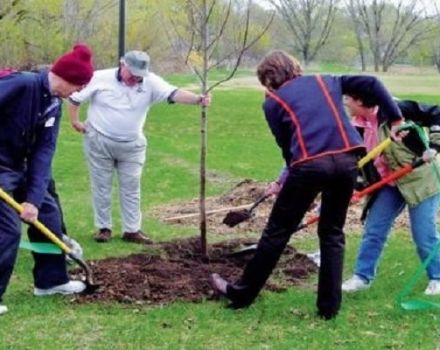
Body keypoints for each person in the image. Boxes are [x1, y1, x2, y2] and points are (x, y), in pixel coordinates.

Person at [209, 50, 403, 320]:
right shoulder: (326, 80)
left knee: (277, 232)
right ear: (294, 68)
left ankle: (241, 293)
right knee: (332, 233)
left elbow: (288, 149)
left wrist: (293, 180)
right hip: (348, 162)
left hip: (309, 166)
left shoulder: (272, 103)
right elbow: (371, 83)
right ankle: (329, 308)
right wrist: (396, 119)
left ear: (268, 80)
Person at [67, 50, 210, 244]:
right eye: (132, 73)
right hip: (99, 141)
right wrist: (75, 122)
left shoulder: (151, 81)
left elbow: (173, 93)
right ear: (122, 64)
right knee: (101, 186)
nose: (135, 78)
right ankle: (104, 228)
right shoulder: (100, 77)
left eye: (139, 75)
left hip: (132, 145)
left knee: (131, 187)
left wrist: (197, 99)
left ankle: (132, 230)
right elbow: (75, 98)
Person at [0, 43, 94, 315]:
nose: (78, 92)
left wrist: (33, 199)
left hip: (22, 166)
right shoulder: (22, 85)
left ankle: (51, 281)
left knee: (48, 215)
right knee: (6, 231)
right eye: (78, 86)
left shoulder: (54, 103)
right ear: (68, 78)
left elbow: (44, 151)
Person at [342, 97, 440, 295]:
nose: (345, 103)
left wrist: (435, 145)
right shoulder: (356, 126)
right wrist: (355, 188)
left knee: (424, 235)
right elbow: (358, 161)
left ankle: (437, 278)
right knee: (374, 230)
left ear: (361, 101)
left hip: (419, 180)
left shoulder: (397, 110)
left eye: (348, 100)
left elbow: (437, 112)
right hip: (389, 184)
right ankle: (362, 277)